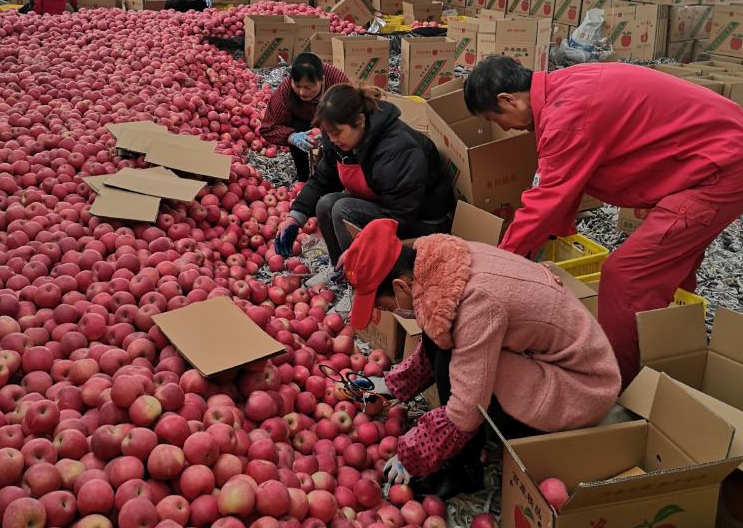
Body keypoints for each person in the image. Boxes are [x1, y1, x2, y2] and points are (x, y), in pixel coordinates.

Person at [463, 56, 743, 387]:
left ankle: (619, 383)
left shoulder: (568, 114)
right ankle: (671, 349)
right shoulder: (564, 87)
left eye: (497, 119)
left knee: (626, 277)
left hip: (720, 167)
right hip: (714, 153)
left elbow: (547, 195)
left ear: (508, 99)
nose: (506, 128)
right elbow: (566, 182)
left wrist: (499, 265)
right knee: (672, 266)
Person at [344, 218, 621, 494]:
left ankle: (464, 471)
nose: (390, 313)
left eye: (385, 305)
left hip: (581, 387)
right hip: (550, 359)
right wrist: (393, 385)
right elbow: (438, 329)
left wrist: (413, 455)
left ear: (400, 287)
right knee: (449, 339)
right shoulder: (443, 264)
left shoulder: (477, 301)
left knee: (462, 367)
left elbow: (466, 408)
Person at [274, 85, 454, 290]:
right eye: (328, 132)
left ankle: (362, 282)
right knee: (325, 204)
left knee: (343, 210)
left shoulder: (397, 148)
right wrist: (295, 217)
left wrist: (359, 248)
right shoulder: (342, 140)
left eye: (337, 132)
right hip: (385, 203)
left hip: (419, 223)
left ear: (359, 121)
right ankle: (339, 271)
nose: (331, 139)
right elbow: (323, 178)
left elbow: (399, 217)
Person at [260, 52, 351, 181]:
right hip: (302, 121)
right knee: (297, 131)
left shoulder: (338, 81)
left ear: (322, 80)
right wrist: (292, 137)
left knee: (334, 153)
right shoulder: (286, 90)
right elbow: (268, 127)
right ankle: (303, 176)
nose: (302, 92)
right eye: (297, 86)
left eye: (308, 87)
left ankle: (335, 176)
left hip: (333, 120)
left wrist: (329, 131)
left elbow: (353, 114)